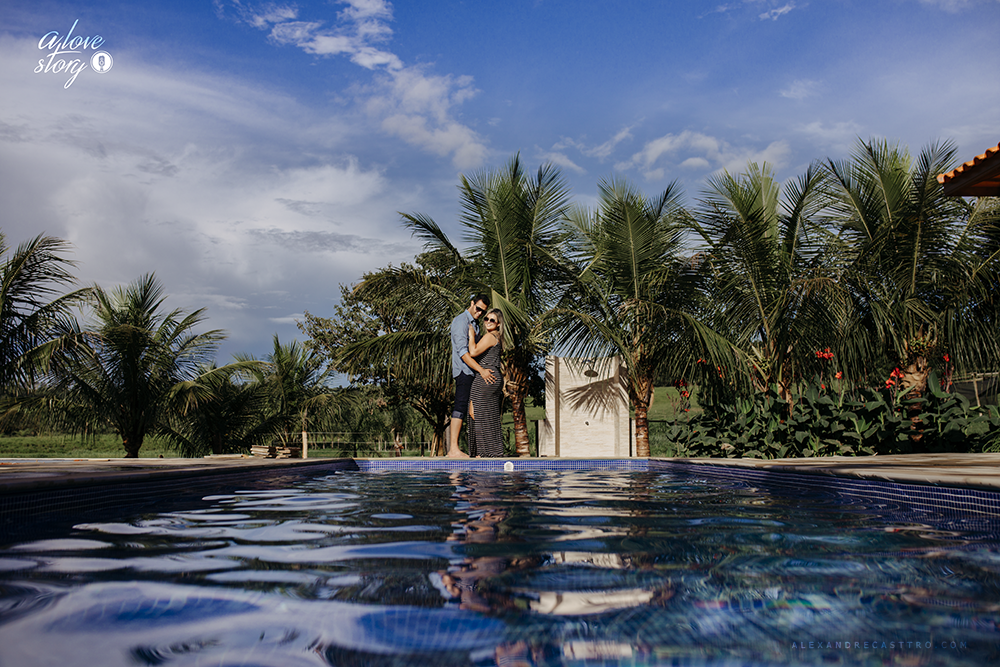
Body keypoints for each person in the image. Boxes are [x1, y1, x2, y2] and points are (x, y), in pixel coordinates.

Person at [447, 294, 494, 458]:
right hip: (464, 371)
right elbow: (463, 353)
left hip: (472, 372)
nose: (480, 313)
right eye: (478, 308)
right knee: (460, 407)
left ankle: (478, 450)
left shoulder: (474, 324)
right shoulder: (461, 321)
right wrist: (481, 370)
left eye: (483, 311)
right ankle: (453, 449)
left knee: (473, 410)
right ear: (471, 303)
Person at [468, 308, 505, 457]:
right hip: (494, 377)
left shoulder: (490, 336)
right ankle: (493, 452)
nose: (488, 322)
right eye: (486, 319)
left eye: (492, 320)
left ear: (498, 323)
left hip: (485, 377)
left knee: (478, 414)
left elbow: (473, 351)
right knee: (489, 415)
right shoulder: (499, 337)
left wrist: (471, 336)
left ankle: (483, 454)